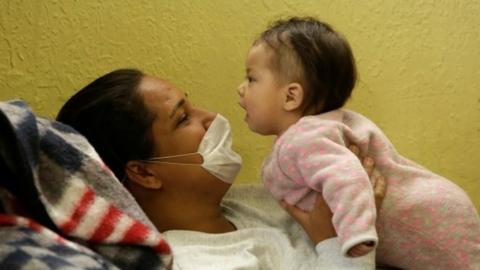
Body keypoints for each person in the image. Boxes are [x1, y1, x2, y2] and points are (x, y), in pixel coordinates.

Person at [56, 68, 387, 269]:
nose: (211, 116)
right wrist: (343, 244)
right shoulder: (193, 262)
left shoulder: (258, 199)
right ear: (145, 173)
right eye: (183, 118)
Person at [236, 16, 480, 269]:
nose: (241, 89)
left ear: (291, 96)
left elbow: (348, 178)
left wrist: (355, 231)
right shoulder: (327, 127)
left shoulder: (303, 139)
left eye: (251, 79)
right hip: (437, 207)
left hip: (429, 222)